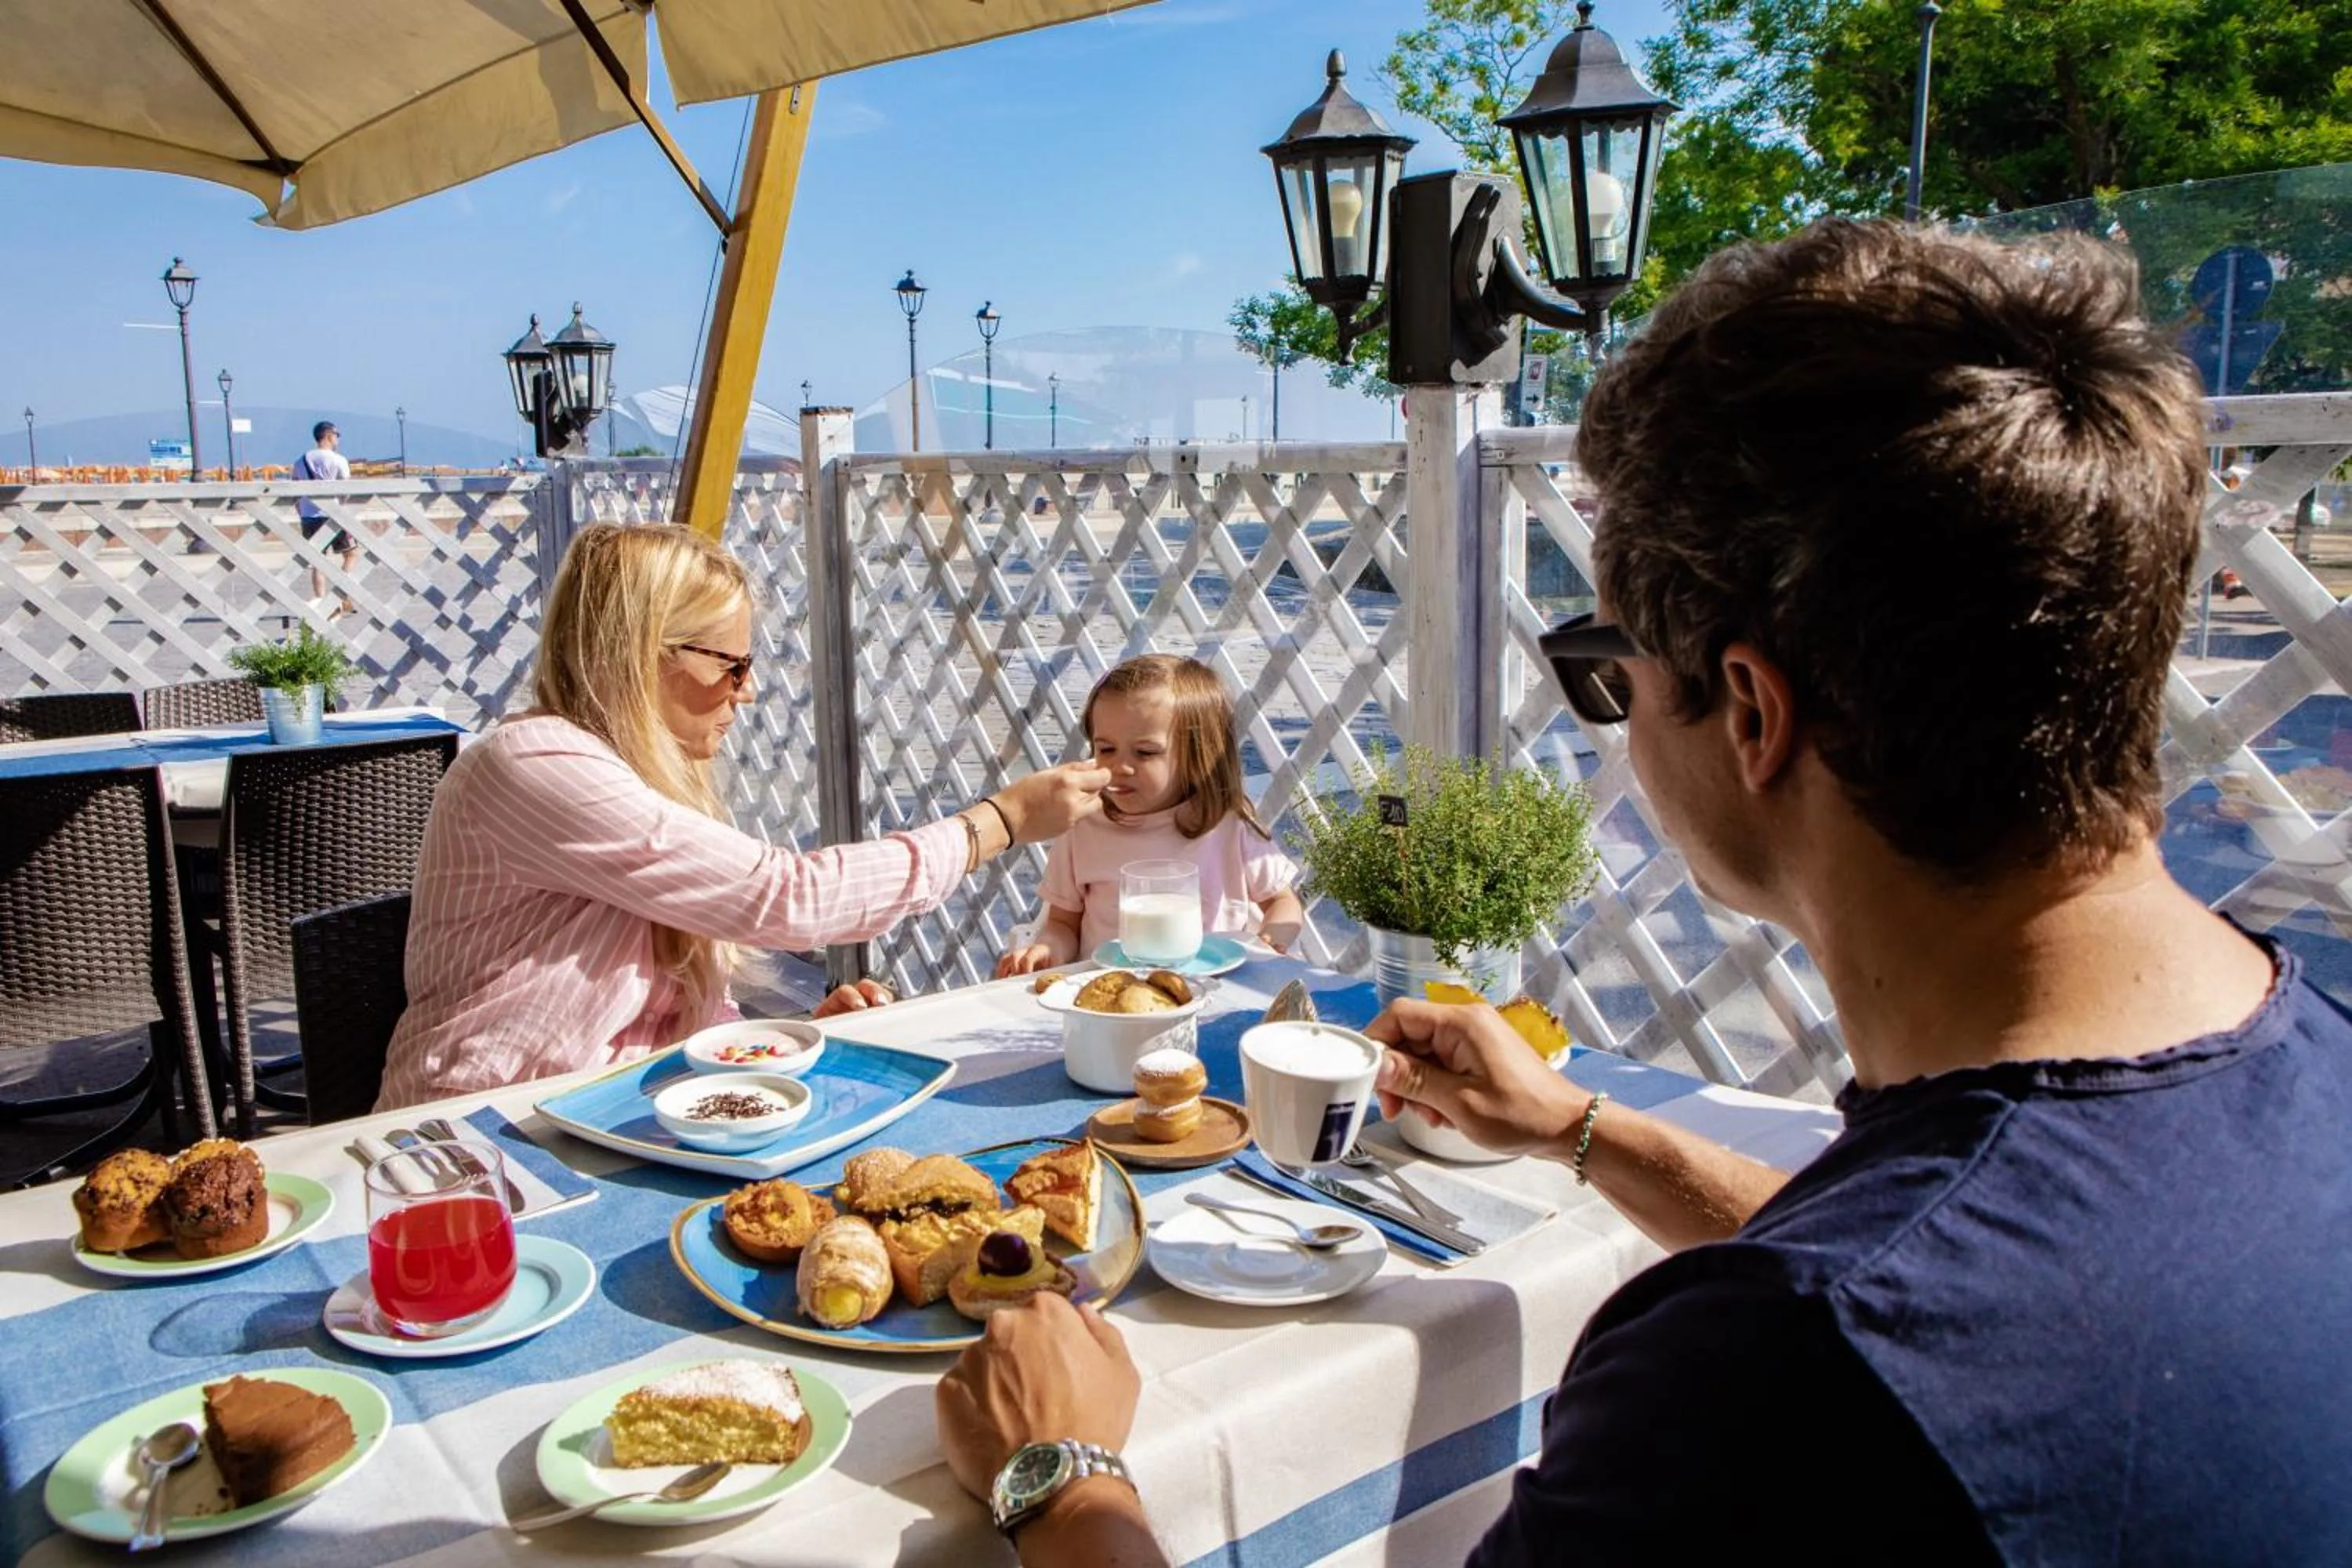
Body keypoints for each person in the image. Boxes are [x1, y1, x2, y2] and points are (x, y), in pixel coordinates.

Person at [933, 220, 2352, 1563]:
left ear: (1749, 709)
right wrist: (1586, 1129)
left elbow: (1874, 1313)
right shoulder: (2309, 1069)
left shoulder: (1762, 1377)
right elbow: (1972, 1281)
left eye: (1609, 667)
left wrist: (1059, 1479)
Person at [375, 524, 1110, 1109]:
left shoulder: (636, 772)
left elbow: (660, 1016)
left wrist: (783, 1041)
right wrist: (1001, 820)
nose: (747, 692)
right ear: (640, 656)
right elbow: (787, 897)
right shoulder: (535, 762)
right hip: (483, 1141)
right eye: (732, 666)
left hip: (612, 1116)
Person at [993, 654, 1305, 976]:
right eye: (1106, 749)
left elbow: (1283, 902)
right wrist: (1047, 950)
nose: (1120, 767)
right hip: (1112, 997)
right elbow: (1062, 923)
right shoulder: (1085, 824)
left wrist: (1270, 940)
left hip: (1215, 991)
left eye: (1145, 753)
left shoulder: (1226, 825)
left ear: (1199, 757)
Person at [292, 419, 356, 615]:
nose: (337, 439)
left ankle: (321, 600)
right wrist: (342, 507)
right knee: (350, 554)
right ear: (329, 436)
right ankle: (340, 594)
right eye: (336, 436)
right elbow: (346, 488)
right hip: (332, 516)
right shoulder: (338, 460)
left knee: (318, 561)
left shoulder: (300, 460)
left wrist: (301, 511)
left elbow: (294, 489)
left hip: (309, 516)